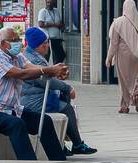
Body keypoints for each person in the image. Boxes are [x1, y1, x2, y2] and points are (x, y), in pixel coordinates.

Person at [0, 26, 69, 161]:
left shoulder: (17, 57)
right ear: (3, 44)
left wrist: (54, 70)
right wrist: (48, 70)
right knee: (17, 124)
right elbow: (21, 74)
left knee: (45, 121)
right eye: (14, 40)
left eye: (19, 39)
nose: (18, 42)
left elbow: (32, 68)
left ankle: (59, 162)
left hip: (12, 109)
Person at [22, 27, 95, 155]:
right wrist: (68, 87)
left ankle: (63, 143)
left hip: (39, 96)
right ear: (36, 46)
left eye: (47, 43)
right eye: (44, 44)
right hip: (34, 100)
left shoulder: (33, 55)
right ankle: (77, 144)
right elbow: (44, 81)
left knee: (64, 101)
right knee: (67, 109)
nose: (47, 46)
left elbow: (49, 76)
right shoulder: (32, 60)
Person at [106, 0, 138, 114]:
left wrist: (109, 57)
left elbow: (114, 43)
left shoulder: (118, 22)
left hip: (124, 53)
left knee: (124, 81)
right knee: (135, 78)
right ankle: (135, 95)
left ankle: (125, 105)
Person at [37, 0, 66, 64]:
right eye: (48, 2)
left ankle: (54, 69)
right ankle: (45, 71)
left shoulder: (56, 11)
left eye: (51, 3)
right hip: (47, 38)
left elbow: (60, 22)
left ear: (54, 3)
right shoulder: (43, 11)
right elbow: (40, 24)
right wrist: (55, 25)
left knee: (60, 55)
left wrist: (61, 26)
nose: (49, 4)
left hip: (56, 38)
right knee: (46, 55)